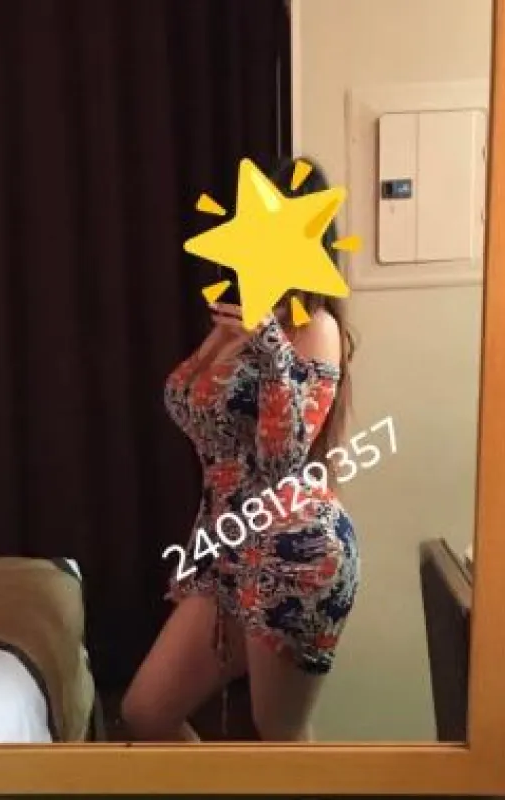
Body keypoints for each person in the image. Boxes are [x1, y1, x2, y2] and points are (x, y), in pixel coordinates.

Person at [120, 156, 361, 742]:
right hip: (227, 550)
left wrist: (271, 347)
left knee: (279, 735)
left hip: (295, 551)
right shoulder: (238, 318)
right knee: (146, 712)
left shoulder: (315, 327)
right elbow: (188, 407)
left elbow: (283, 461)